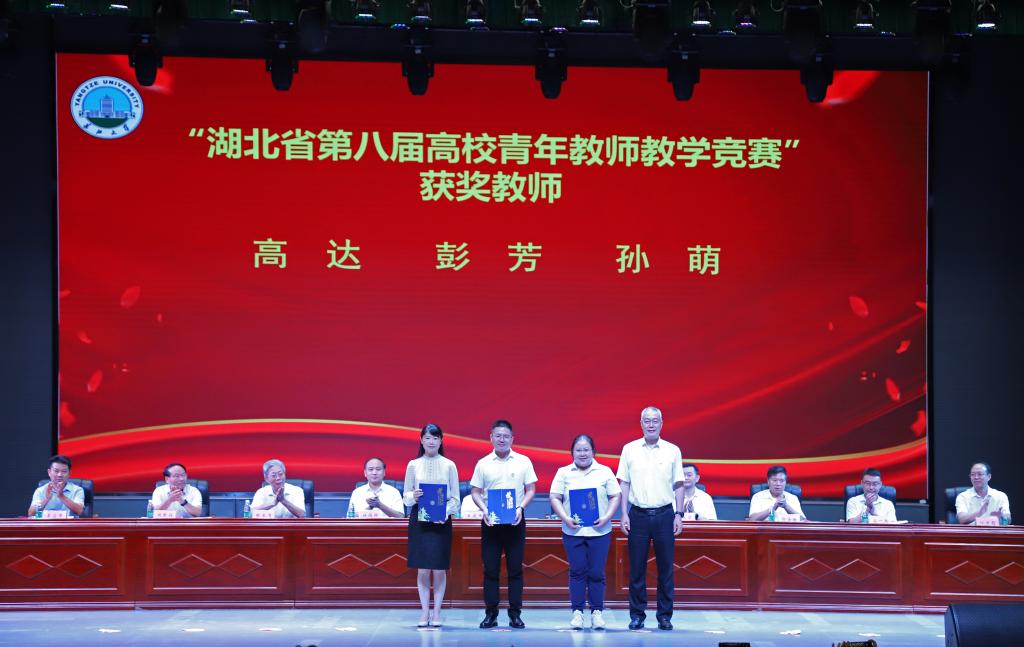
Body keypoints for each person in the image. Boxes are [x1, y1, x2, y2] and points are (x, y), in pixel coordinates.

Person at [616, 406, 684, 631]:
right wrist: (623, 513)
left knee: (666, 570)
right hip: (638, 515)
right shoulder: (629, 449)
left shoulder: (673, 450)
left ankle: (665, 616)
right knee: (636, 569)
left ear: (662, 423)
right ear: (641, 423)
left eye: (655, 421)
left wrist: (679, 514)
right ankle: (637, 615)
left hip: (665, 515)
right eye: (647, 420)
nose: (651, 424)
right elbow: (624, 483)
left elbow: (679, 484)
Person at [470, 419, 537, 629]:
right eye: (498, 436)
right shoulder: (483, 463)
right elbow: (475, 492)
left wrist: (520, 508)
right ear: (491, 437)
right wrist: (484, 509)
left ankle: (515, 614)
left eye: (506, 436)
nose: (502, 439)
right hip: (491, 522)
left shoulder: (523, 461)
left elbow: (531, 490)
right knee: (491, 570)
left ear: (512, 439)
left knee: (515, 570)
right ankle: (491, 614)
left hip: (515, 521)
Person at [550, 434, 621, 630]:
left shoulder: (604, 471)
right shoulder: (563, 472)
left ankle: (597, 612)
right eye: (578, 450)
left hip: (600, 531)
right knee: (577, 572)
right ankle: (577, 613)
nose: (582, 453)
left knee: (597, 572)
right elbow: (554, 497)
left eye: (586, 450)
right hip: (573, 531)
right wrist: (565, 517)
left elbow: (615, 496)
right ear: (572, 452)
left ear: (593, 452)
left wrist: (607, 516)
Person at [403, 424, 460, 627]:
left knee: (439, 568)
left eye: (435, 438)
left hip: (441, 521)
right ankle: (424, 612)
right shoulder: (413, 465)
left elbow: (455, 499)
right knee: (423, 568)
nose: (431, 441)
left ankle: (437, 613)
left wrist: (444, 513)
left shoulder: (449, 465)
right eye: (427, 438)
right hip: (419, 520)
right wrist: (414, 496)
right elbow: (406, 497)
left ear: (441, 440)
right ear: (421, 440)